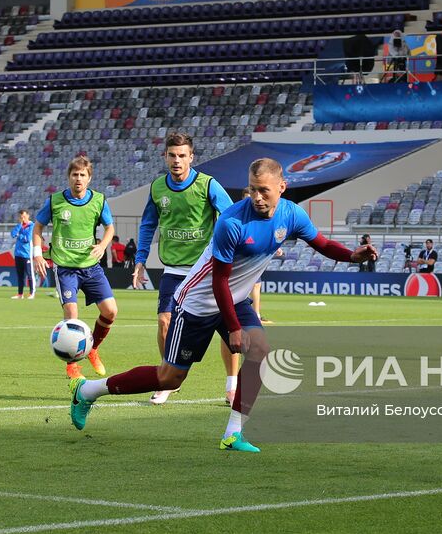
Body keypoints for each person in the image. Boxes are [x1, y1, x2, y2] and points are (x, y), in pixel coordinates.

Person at [67, 157, 377, 452]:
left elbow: (321, 243)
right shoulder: (232, 222)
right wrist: (233, 329)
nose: (256, 196)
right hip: (197, 304)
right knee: (169, 378)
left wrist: (351, 255)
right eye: (252, 189)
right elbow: (218, 283)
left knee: (261, 353)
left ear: (282, 187)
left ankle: (233, 433)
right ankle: (88, 391)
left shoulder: (292, 214)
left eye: (264, 190)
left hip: (235, 299)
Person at [134, 131, 237, 405]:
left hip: (206, 270)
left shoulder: (208, 185)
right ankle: (168, 379)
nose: (177, 160)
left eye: (182, 155)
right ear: (164, 157)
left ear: (191, 157)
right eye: (172, 155)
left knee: (229, 331)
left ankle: (232, 386)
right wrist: (140, 259)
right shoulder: (157, 188)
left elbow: (231, 217)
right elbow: (147, 225)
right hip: (174, 270)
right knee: (164, 321)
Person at [35, 155, 114, 379]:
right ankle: (72, 365)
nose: (78, 179)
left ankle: (93, 348)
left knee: (111, 311)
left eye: (82, 175)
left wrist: (103, 245)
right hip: (65, 267)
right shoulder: (55, 201)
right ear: (68, 177)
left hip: (90, 266)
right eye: (74, 175)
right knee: (71, 315)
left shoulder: (98, 200)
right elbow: (38, 226)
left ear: (89, 178)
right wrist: (38, 254)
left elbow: (109, 227)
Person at [10, 209, 36, 299]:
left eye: (24, 217)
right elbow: (12, 234)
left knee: (29, 274)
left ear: (28, 216)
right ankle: (20, 294)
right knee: (20, 275)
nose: (23, 219)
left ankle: (32, 293)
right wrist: (19, 226)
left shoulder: (32, 226)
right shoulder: (19, 226)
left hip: (27, 254)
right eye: (21, 217)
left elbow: (27, 239)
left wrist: (19, 235)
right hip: (18, 254)